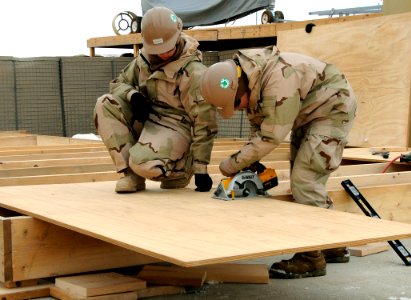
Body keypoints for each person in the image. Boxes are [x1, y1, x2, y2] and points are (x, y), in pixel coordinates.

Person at [200, 46, 357, 279]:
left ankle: (311, 257)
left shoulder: (276, 81)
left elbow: (270, 136)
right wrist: (247, 160)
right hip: (308, 112)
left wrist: (231, 164)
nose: (238, 109)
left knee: (304, 179)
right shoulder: (250, 79)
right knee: (304, 179)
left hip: (332, 109)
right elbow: (258, 128)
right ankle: (332, 243)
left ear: (238, 86)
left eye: (236, 103)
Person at [94, 6, 217, 193]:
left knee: (143, 164)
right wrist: (132, 95)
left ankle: (181, 170)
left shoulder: (194, 72)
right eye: (159, 49)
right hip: (150, 119)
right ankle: (131, 176)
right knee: (105, 103)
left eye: (168, 47)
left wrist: (201, 168)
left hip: (177, 126)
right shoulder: (143, 61)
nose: (164, 53)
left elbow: (204, 122)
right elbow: (119, 82)